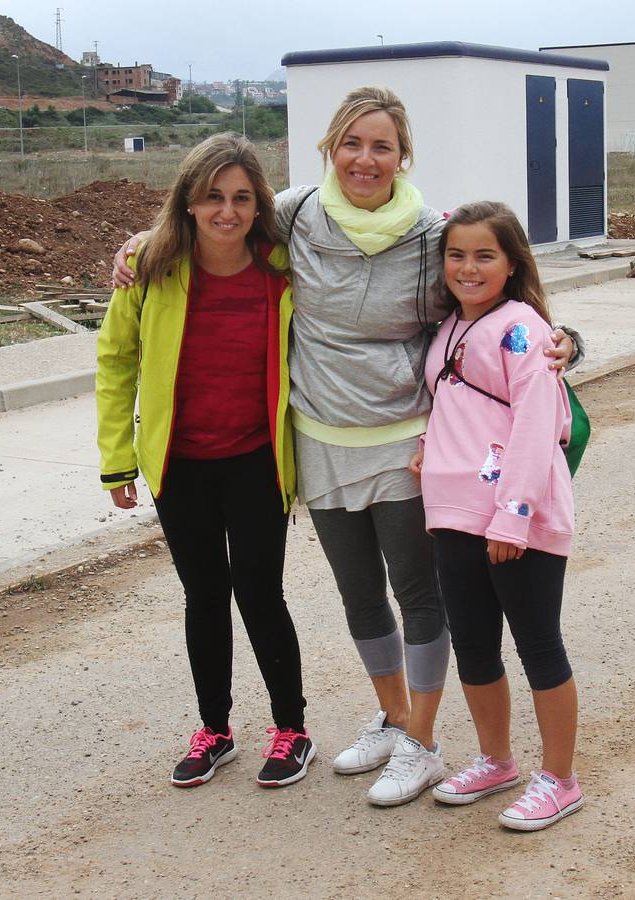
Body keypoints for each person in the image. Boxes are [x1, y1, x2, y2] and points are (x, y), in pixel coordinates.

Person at [113, 87, 577, 807]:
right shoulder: (293, 215)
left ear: (402, 155)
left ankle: (422, 740)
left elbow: (494, 285)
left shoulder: (430, 231)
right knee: (359, 596)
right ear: (331, 147)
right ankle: (393, 717)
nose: (365, 159)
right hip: (319, 437)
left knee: (418, 596)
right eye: (352, 144)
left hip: (406, 442)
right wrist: (143, 245)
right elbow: (213, 227)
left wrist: (565, 342)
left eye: (382, 146)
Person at [96, 133, 315, 791]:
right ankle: (214, 731)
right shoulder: (151, 264)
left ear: (258, 205)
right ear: (188, 203)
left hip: (256, 459)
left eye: (242, 197)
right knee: (204, 596)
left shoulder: (282, 265)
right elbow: (116, 360)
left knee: (259, 592)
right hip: (178, 465)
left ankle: (291, 730)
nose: (227, 211)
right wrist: (117, 460)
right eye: (212, 196)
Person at [410, 201, 581, 831]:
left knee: (538, 644)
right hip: (453, 510)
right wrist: (431, 447)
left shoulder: (525, 329)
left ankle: (559, 779)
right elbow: (463, 404)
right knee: (474, 645)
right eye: (457, 255)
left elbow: (538, 427)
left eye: (485, 255)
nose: (468, 267)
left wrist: (512, 517)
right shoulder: (451, 326)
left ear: (511, 264)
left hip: (515, 518)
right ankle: (496, 759)